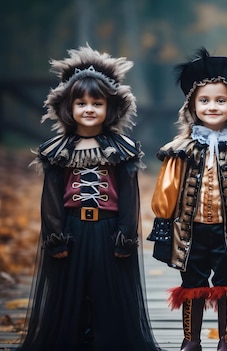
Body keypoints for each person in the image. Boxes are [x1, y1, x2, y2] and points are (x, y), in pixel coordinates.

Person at [20, 45, 161, 350]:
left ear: (111, 108)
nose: (88, 109)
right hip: (72, 230)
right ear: (67, 107)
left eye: (97, 103)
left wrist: (125, 235)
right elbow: (52, 198)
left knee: (107, 293)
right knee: (70, 293)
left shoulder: (121, 148)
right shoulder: (59, 149)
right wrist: (54, 235)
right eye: (81, 103)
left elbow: (129, 196)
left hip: (108, 231)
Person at [147, 48, 227, 351]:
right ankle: (191, 339)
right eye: (204, 100)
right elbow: (168, 187)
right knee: (192, 281)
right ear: (192, 105)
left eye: (220, 100)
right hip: (190, 227)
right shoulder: (180, 148)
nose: (212, 106)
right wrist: (163, 221)